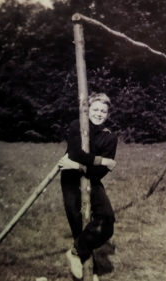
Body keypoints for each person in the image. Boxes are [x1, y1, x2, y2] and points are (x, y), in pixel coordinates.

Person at [58, 93, 118, 280]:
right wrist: (101, 160)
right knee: (79, 226)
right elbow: (75, 152)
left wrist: (77, 165)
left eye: (103, 111)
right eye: (95, 109)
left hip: (91, 179)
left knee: (107, 220)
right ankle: (89, 269)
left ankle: (74, 253)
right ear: (88, 110)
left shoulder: (110, 138)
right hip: (71, 180)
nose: (99, 114)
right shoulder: (77, 125)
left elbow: (98, 173)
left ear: (108, 115)